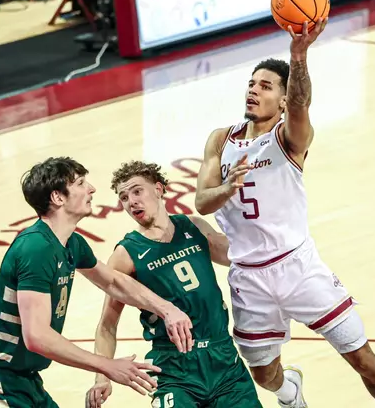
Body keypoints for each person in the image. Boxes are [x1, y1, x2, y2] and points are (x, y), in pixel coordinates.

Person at [194, 19, 375, 408]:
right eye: (251, 83)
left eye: (265, 85)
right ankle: (290, 390)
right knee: (264, 374)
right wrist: (227, 187)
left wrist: (298, 54)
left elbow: (301, 103)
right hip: (249, 279)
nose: (254, 90)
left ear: (282, 98)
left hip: (298, 267)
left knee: (361, 356)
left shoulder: (288, 139)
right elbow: (201, 202)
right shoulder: (221, 139)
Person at [0, 157, 195, 408]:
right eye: (81, 183)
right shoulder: (36, 248)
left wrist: (166, 309)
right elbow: (37, 336)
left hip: (25, 380)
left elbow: (115, 283)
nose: (92, 189)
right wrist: (108, 366)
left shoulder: (71, 242)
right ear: (58, 198)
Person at [85, 160, 263, 408]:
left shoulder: (193, 227)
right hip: (174, 368)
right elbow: (107, 325)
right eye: (124, 197)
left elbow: (244, 256)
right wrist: (101, 378)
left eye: (137, 191)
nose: (131, 201)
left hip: (223, 358)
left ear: (158, 189)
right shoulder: (127, 254)